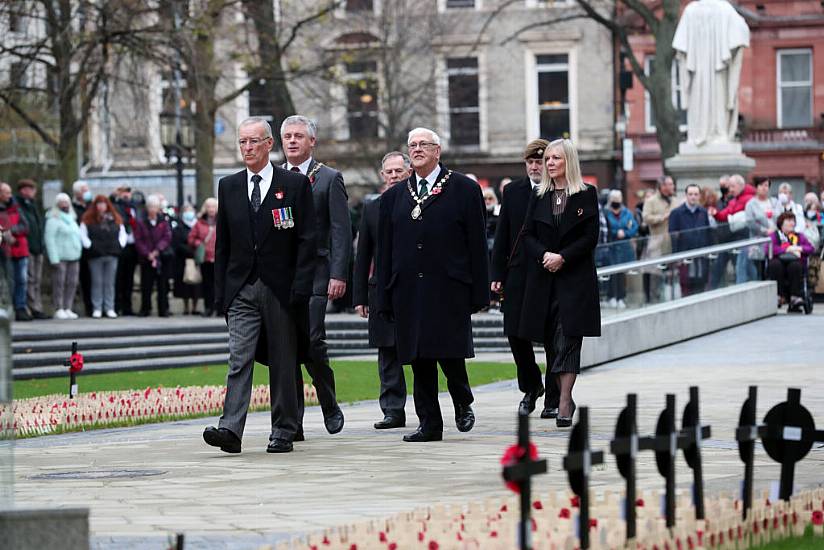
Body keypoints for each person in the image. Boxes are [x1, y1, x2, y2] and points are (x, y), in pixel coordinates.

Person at [203, 116, 316, 454]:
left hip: (281, 289)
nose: (247, 148)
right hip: (241, 288)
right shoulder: (230, 186)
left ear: (269, 144)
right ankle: (230, 430)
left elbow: (307, 241)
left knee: (283, 360)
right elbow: (223, 244)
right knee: (239, 358)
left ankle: (283, 429)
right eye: (242, 142)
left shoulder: (293, 185)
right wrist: (222, 294)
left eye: (254, 141)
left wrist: (301, 287)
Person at [376, 127, 488, 442]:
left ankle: (462, 398)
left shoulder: (464, 188)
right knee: (418, 356)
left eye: (423, 144)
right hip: (408, 288)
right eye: (412, 145)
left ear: (437, 150)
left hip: (449, 286)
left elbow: (477, 243)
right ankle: (429, 424)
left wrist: (479, 291)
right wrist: (383, 294)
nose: (417, 149)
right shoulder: (396, 196)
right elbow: (385, 250)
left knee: (449, 351)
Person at [518, 139, 600, 428]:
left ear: (569, 162)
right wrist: (545, 256)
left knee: (568, 339)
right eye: (547, 159)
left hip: (574, 279)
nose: (549, 163)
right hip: (544, 279)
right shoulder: (539, 196)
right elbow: (526, 235)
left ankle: (564, 400)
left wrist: (563, 257)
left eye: (555, 158)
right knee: (552, 341)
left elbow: (590, 237)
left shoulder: (586, 194)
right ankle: (558, 394)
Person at [280, 114, 350, 438]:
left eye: (298, 136)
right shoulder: (274, 178)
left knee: (312, 341)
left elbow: (340, 230)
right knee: (286, 348)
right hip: (282, 274)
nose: (292, 141)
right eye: (287, 136)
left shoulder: (328, 178)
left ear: (311, 142)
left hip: (318, 272)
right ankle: (292, 423)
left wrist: (339, 273)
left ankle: (328, 401)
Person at [491, 139, 560, 419]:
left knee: (552, 337)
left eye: (539, 162)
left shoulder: (558, 190)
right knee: (516, 334)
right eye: (530, 162)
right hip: (517, 272)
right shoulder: (514, 191)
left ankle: (554, 397)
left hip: (547, 271)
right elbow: (503, 233)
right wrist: (496, 274)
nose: (534, 167)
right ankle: (531, 387)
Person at [353, 151, 410, 430]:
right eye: (389, 172)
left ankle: (427, 407)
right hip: (380, 289)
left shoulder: (419, 204)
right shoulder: (372, 208)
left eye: (399, 170)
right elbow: (363, 254)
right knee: (387, 352)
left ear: (408, 172)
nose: (394, 176)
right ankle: (392, 410)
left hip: (413, 288)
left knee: (422, 350)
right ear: (382, 176)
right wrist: (359, 296)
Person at [80, 195, 126, 319]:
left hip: (112, 253)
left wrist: (119, 245)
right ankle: (97, 307)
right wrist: (90, 246)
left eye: (103, 204)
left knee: (109, 282)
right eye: (99, 204)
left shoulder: (115, 219)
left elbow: (122, 233)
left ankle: (109, 307)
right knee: (97, 282)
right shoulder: (88, 219)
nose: (101, 206)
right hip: (95, 254)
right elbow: (83, 234)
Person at [44, 193, 82, 320]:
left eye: (66, 202)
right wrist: (54, 258)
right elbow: (50, 239)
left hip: (74, 256)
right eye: (62, 202)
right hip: (60, 257)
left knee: (72, 283)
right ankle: (58, 308)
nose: (65, 204)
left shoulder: (72, 219)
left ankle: (68, 307)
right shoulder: (53, 219)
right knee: (59, 283)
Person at [711, 174, 755, 282]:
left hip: (747, 239)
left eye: (732, 186)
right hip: (733, 240)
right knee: (743, 268)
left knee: (745, 269)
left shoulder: (750, 199)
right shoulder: (734, 200)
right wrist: (715, 214)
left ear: (740, 185)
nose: (730, 190)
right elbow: (725, 214)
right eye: (729, 187)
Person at [134, 194, 172, 317]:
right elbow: (138, 240)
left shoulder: (163, 221)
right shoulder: (141, 222)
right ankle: (145, 308)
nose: (152, 209)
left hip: (161, 258)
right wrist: (148, 253)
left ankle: (163, 309)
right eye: (150, 207)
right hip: (146, 258)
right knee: (146, 285)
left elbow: (167, 237)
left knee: (162, 285)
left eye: (155, 207)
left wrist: (157, 250)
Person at [669, 184, 711, 296]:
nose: (693, 197)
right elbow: (673, 236)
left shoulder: (703, 212)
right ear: (686, 196)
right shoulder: (676, 213)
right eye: (690, 194)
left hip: (701, 255)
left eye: (696, 194)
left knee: (701, 284)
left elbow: (708, 233)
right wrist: (676, 256)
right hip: (684, 256)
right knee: (686, 286)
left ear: (699, 196)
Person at [15, 180, 49, 319]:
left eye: (32, 189)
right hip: (26, 247)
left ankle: (37, 306)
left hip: (37, 247)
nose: (31, 192)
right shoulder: (18, 205)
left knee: (36, 279)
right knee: (28, 279)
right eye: (28, 189)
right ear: (22, 190)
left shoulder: (34, 206)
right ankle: (31, 307)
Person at [767, 212, 814, 311]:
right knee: (775, 265)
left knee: (795, 266)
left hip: (795, 263)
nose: (792, 223)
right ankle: (778, 296)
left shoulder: (799, 236)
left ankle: (795, 297)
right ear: (781, 223)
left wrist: (798, 248)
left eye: (793, 221)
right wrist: (787, 249)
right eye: (789, 221)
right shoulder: (774, 236)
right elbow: (769, 248)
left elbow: (810, 248)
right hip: (779, 263)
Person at [642, 175, 676, 302]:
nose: (673, 187)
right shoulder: (651, 201)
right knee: (655, 273)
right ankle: (654, 300)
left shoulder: (674, 200)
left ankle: (671, 299)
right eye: (670, 184)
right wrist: (662, 217)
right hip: (656, 242)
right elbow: (646, 217)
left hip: (671, 242)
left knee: (672, 272)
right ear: (663, 187)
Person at [0, 182, 30, 320]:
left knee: (22, 280)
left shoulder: (16, 207)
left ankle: (20, 307)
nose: (10, 195)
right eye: (7, 192)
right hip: (5, 251)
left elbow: (25, 226)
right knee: (9, 280)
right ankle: (9, 308)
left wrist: (11, 230)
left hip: (20, 249)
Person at [604, 189, 637, 308]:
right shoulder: (606, 212)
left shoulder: (626, 212)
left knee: (622, 273)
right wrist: (615, 232)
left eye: (618, 199)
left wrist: (626, 233)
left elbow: (634, 227)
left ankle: (621, 297)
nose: (616, 202)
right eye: (614, 199)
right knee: (612, 273)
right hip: (611, 247)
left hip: (624, 247)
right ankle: (611, 296)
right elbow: (605, 228)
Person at [187, 198, 218, 317]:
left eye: (213, 207)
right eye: (209, 207)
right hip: (205, 258)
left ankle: (219, 308)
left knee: (219, 285)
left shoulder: (222, 220)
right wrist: (198, 244)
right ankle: (208, 308)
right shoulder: (199, 223)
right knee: (207, 285)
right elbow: (191, 238)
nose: (211, 209)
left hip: (219, 258)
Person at [745, 176, 778, 279]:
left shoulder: (775, 202)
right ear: (756, 187)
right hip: (758, 242)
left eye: (766, 185)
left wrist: (775, 229)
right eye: (761, 185)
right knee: (760, 271)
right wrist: (765, 231)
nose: (764, 188)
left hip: (775, 241)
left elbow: (781, 217)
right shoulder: (751, 204)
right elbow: (751, 223)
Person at [113, 186, 138, 316]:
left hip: (133, 246)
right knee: (119, 278)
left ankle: (128, 307)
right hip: (121, 247)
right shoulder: (116, 207)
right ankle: (117, 306)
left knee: (129, 279)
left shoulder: (134, 208)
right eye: (124, 192)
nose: (126, 195)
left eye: (128, 192)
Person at [172, 203, 200, 315]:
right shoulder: (178, 227)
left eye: (191, 210)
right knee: (184, 285)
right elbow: (177, 243)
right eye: (186, 210)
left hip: (197, 259)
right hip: (182, 260)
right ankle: (186, 307)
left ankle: (195, 306)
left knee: (197, 284)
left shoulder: (197, 225)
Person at [71, 180, 93, 316]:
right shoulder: (73, 208)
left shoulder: (92, 207)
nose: (87, 192)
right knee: (82, 279)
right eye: (84, 190)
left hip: (93, 248)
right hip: (78, 249)